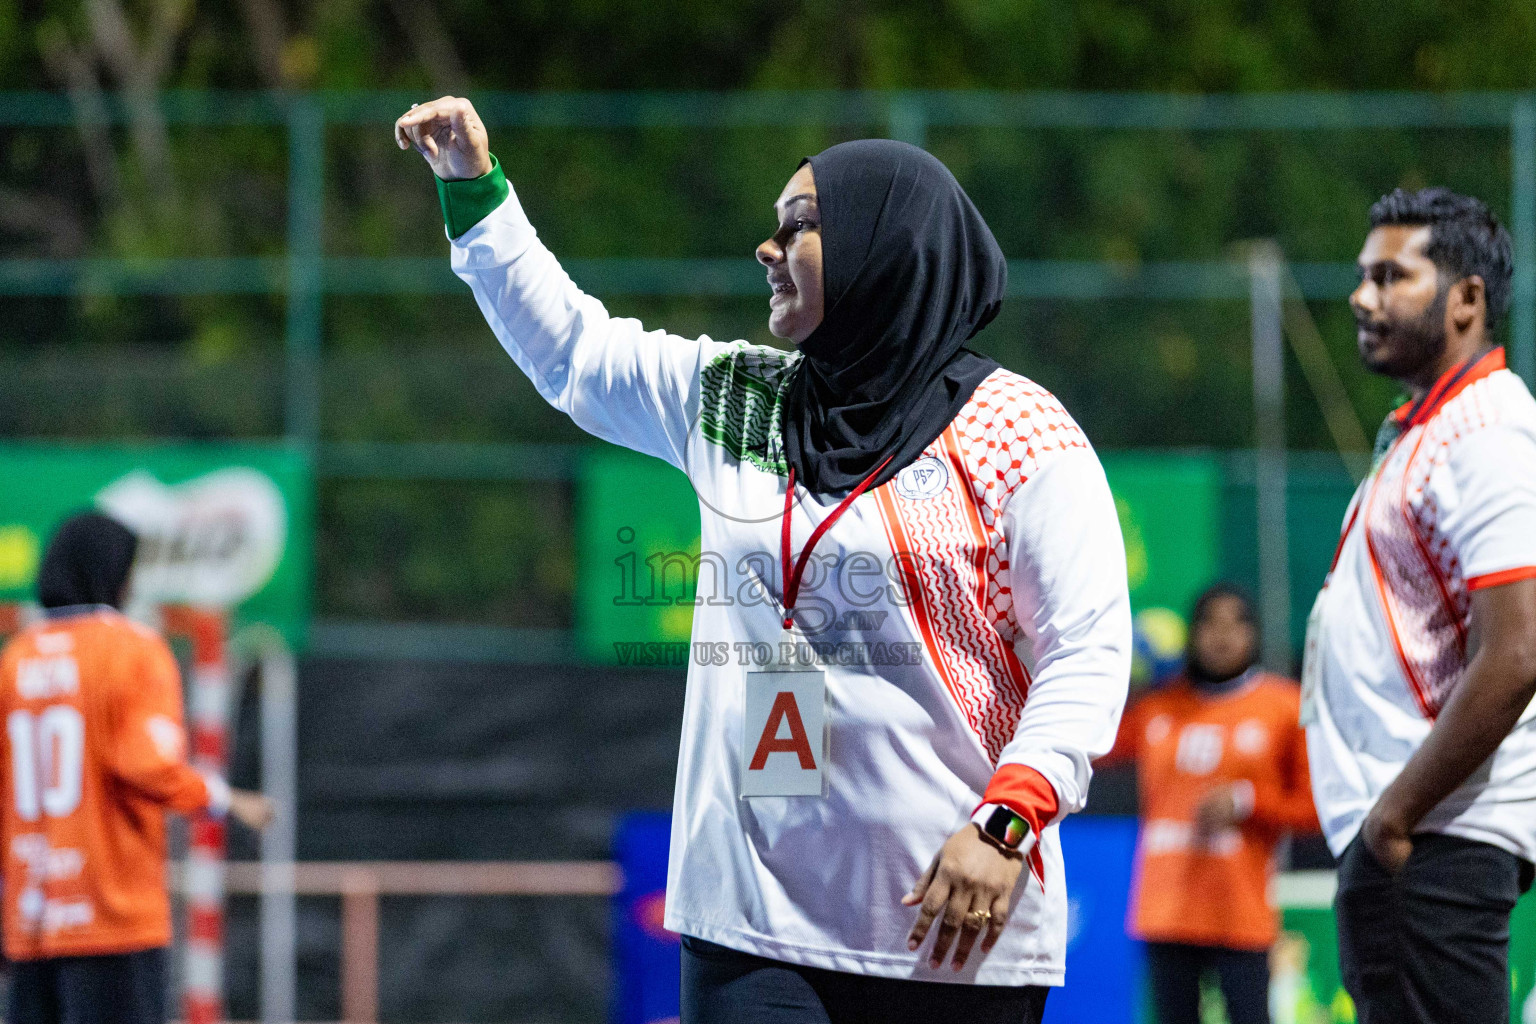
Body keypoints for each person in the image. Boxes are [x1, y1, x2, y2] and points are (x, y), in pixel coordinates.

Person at [396, 98, 1130, 1022]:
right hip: (751, 924)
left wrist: (1008, 821)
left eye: (802, 225)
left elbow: (1087, 653)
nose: (767, 247)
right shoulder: (739, 397)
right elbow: (573, 352)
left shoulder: (1021, 435)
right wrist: (476, 188)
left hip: (953, 917)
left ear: (883, 248)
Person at [1305, 188, 1536, 1024]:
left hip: (1434, 832)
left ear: (1467, 297)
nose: (1363, 298)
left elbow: (1518, 653)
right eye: (1363, 275)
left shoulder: (1488, 432)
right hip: (1413, 833)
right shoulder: (1428, 427)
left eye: (1392, 276)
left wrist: (1396, 820)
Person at [0, 512, 274, 1024]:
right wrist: (221, 797)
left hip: (32, 920)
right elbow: (146, 765)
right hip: (112, 918)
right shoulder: (132, 650)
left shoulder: (15, 659)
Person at [1104, 584, 1316, 1024]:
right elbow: (1091, 748)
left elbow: (1314, 811)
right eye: (1209, 622)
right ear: (1191, 634)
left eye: (1236, 622)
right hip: (1164, 909)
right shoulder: (1157, 708)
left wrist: (1248, 800)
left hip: (1239, 911)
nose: (1222, 635)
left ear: (1254, 633)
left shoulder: (1283, 705)